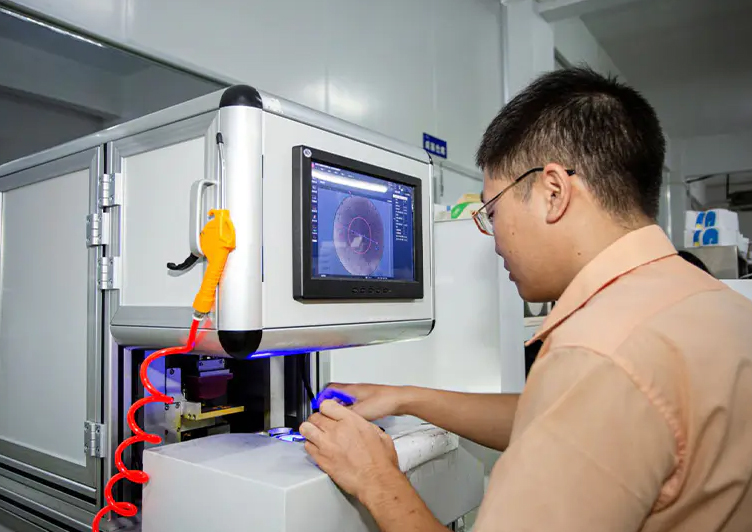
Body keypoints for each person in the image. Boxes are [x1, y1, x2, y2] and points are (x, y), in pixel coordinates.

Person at [298, 67, 752, 531]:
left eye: (493, 211)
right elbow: (558, 420)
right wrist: (405, 398)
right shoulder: (715, 303)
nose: (493, 239)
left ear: (553, 192)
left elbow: (590, 393)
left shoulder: (597, 354)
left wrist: (375, 477)